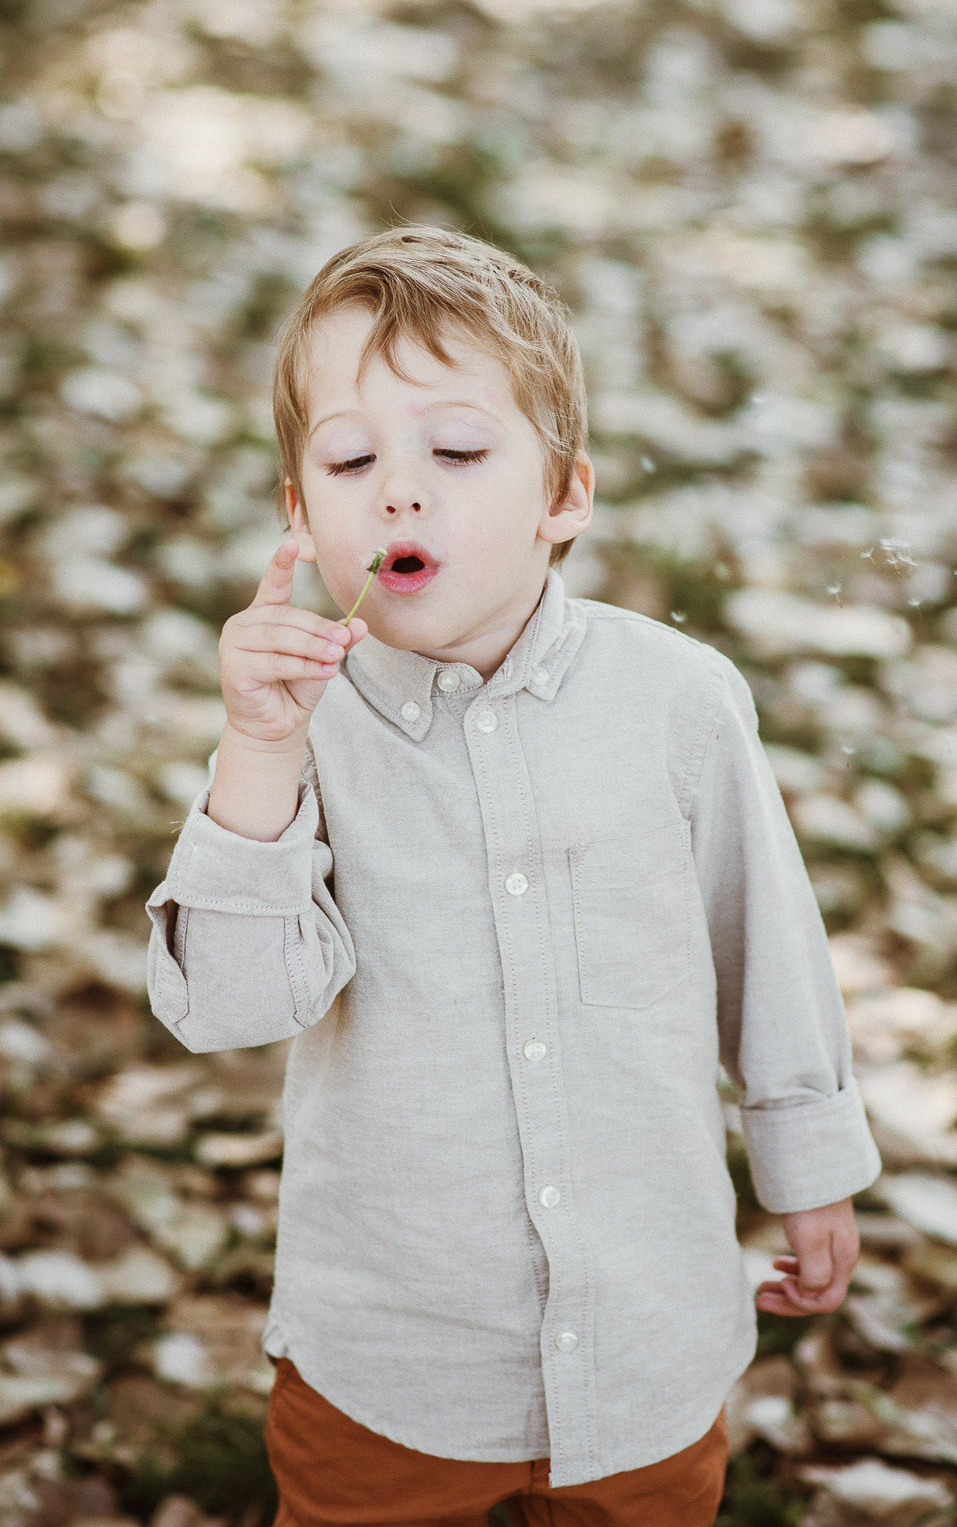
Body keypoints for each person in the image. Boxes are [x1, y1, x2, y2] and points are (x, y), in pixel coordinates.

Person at [145, 226, 881, 1527]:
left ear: (564, 498)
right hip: (393, 1357)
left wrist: (806, 1160)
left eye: (460, 452)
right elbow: (229, 1008)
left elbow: (760, 936)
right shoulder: (297, 730)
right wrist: (255, 753)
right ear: (298, 511)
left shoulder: (676, 702)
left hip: (645, 1327)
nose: (401, 494)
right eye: (352, 458)